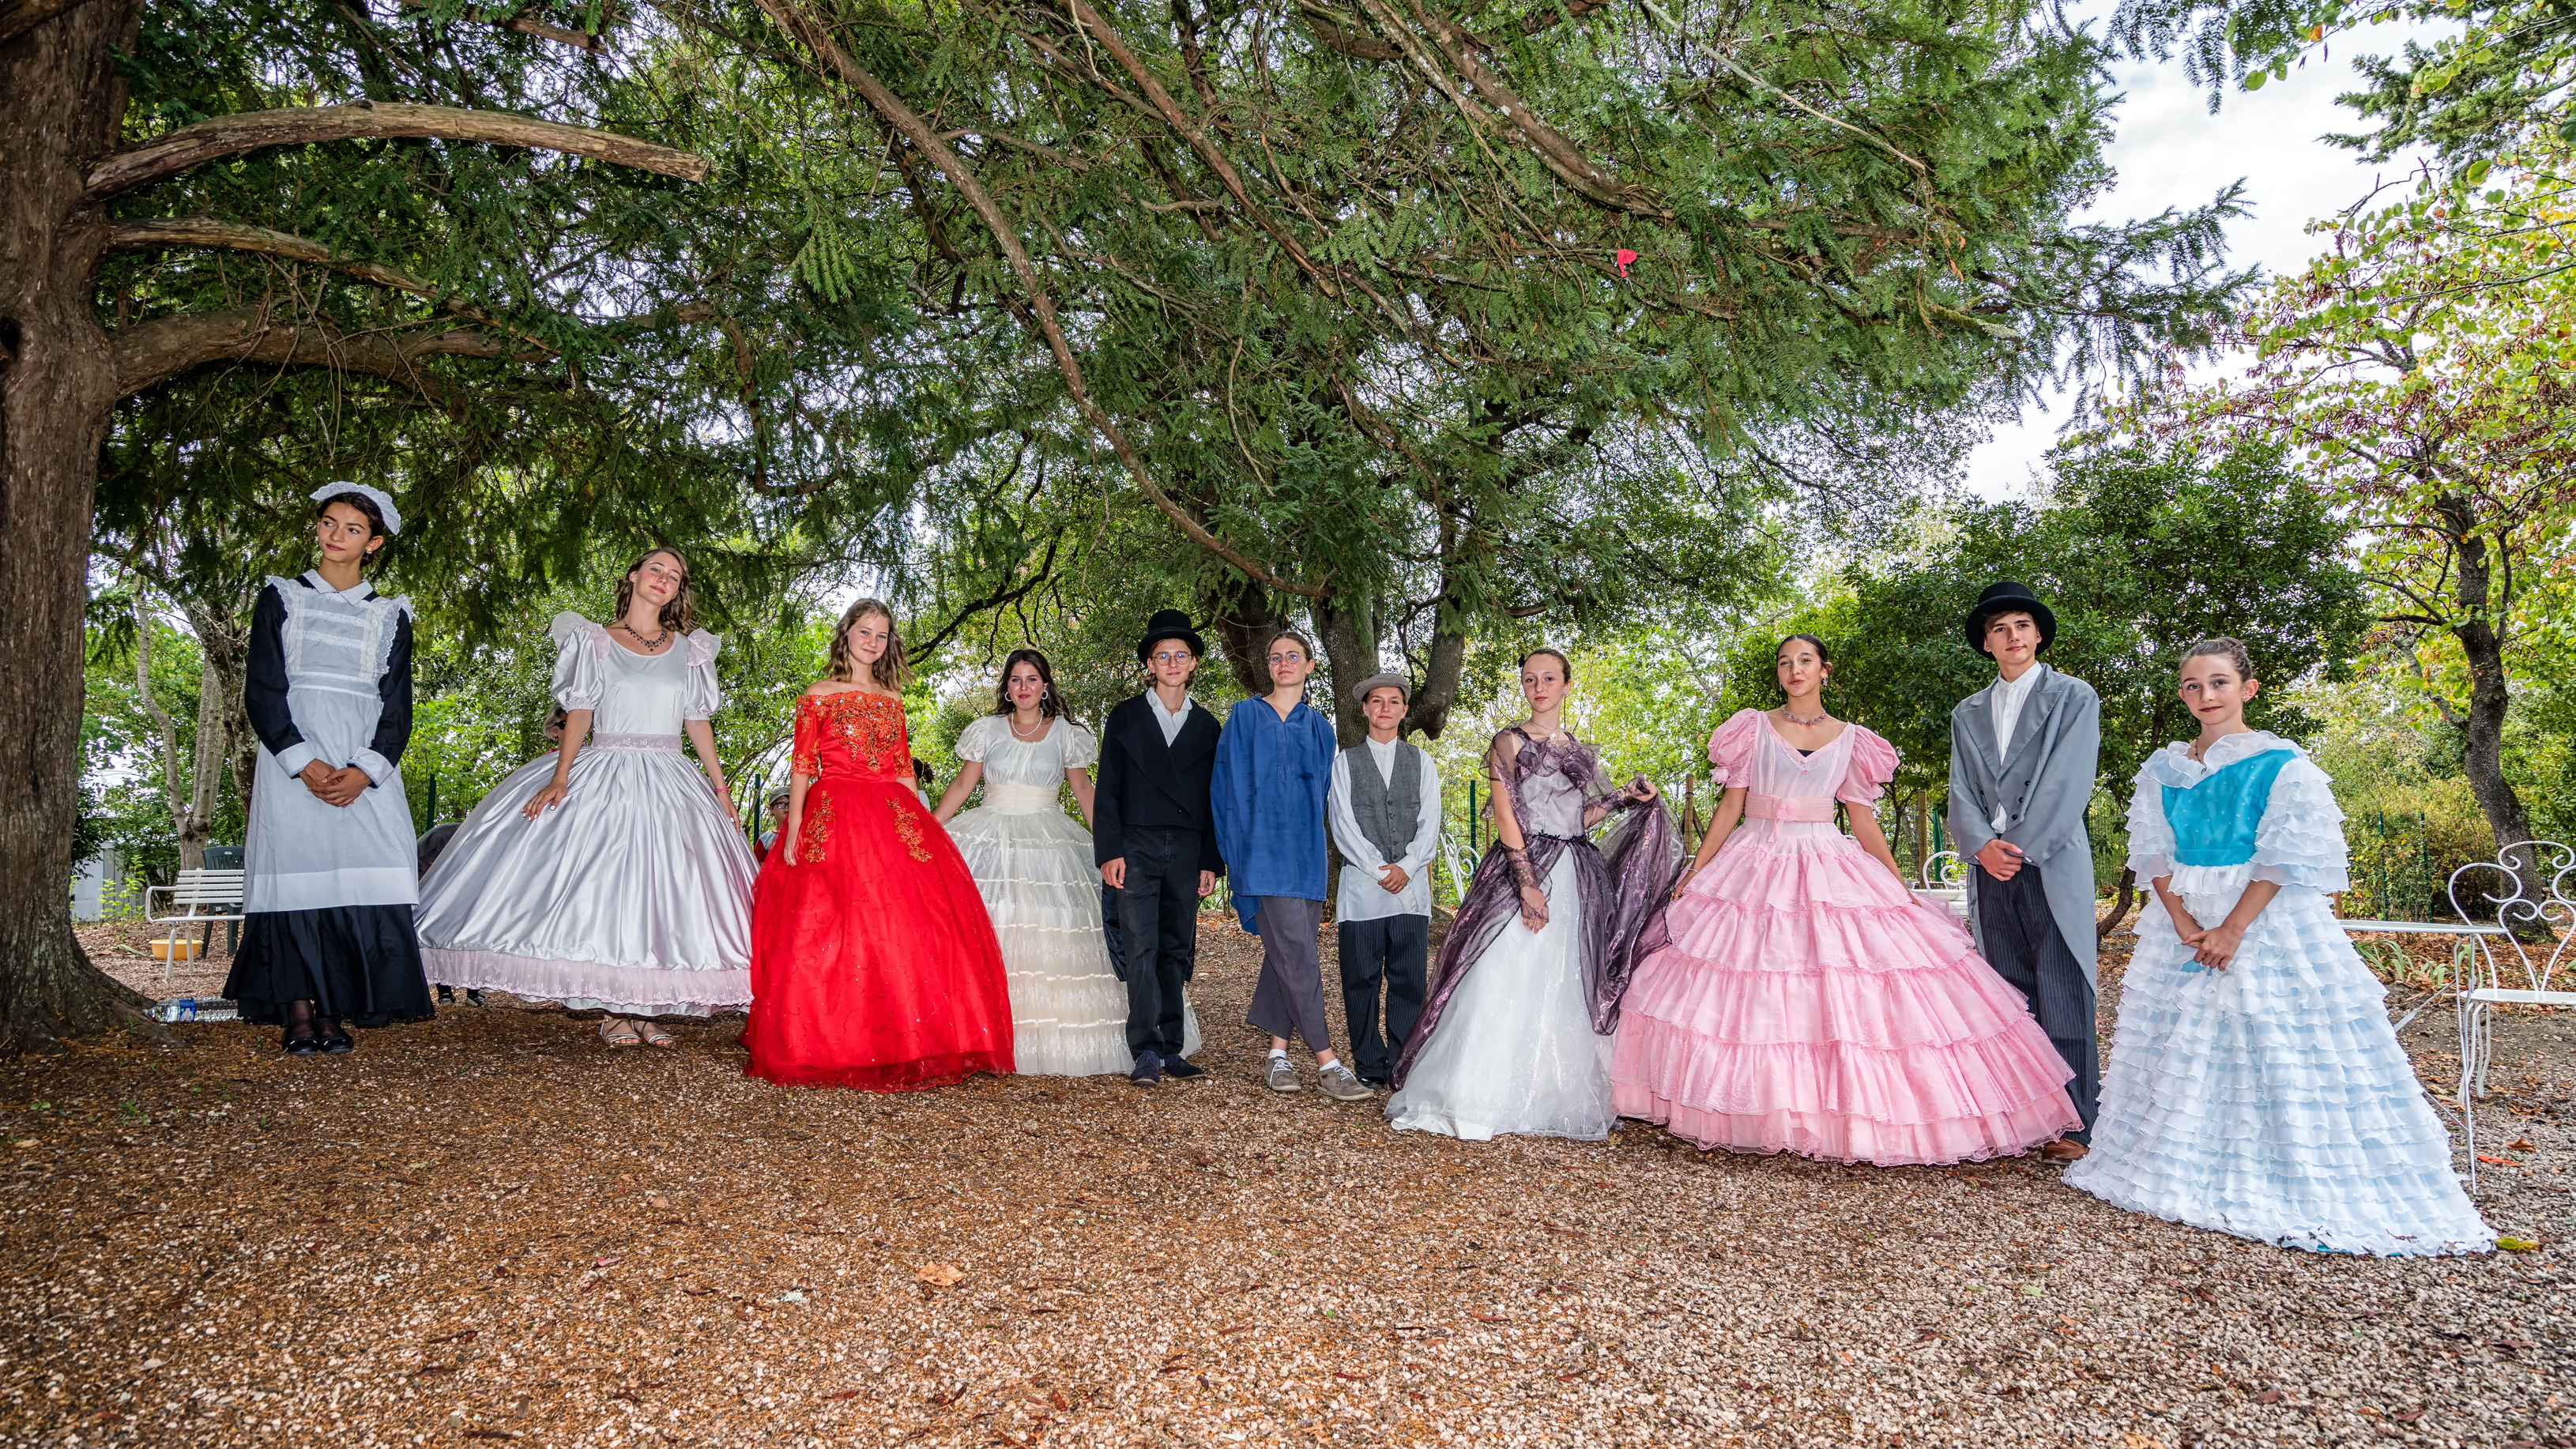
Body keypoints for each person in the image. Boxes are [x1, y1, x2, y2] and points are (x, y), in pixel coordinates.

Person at [2066, 639, 2492, 1254]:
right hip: (2181, 923)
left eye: (2218, 683)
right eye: (2192, 686)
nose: (2205, 696)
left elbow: (2287, 855)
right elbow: (2152, 851)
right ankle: (2182, 1163)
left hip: (2261, 920)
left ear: (2247, 688)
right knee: (2185, 1044)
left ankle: (2283, 1165)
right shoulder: (2162, 770)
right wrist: (2183, 922)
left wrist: (2232, 928)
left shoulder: (2282, 763)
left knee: (2272, 1035)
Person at [1610, 634, 2084, 1165]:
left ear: (1824, 671)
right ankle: (1753, 1107)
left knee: (1845, 984)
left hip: (1826, 859)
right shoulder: (1752, 729)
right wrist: (1697, 869)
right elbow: (1729, 808)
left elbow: (1862, 819)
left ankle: (1851, 1114)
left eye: (1805, 660)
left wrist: (1896, 887)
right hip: (1755, 858)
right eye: (1785, 663)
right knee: (1756, 987)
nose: (1795, 669)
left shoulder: (1855, 740)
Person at [416, 548, 756, 1047]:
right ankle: (615, 1009)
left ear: (678, 590)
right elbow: (580, 711)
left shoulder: (691, 650)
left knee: (664, 890)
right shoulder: (594, 640)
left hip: (670, 777)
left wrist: (720, 787)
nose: (663, 580)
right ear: (635, 576)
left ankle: (644, 1006)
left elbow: (696, 721)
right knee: (610, 885)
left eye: (674, 576)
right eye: (655, 570)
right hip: (607, 769)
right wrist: (560, 776)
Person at [1386, 649, 1671, 1141]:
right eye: (1529, 679)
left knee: (1565, 978)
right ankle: (1475, 1094)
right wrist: (1526, 883)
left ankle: (1548, 1096)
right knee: (1504, 970)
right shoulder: (1509, 742)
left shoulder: (1578, 748)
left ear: (1564, 685)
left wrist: (1624, 796)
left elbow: (1577, 819)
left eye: (1548, 678)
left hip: (1576, 871)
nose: (1538, 687)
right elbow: (1506, 815)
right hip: (1526, 868)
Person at [743, 600, 1015, 1090]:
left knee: (903, 920)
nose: (873, 641)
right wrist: (798, 824)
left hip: (891, 813)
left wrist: (924, 827)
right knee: (830, 922)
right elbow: (803, 766)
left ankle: (906, 1039)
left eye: (882, 635)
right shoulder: (819, 694)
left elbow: (902, 766)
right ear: (846, 633)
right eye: (864, 631)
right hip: (834, 813)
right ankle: (829, 1041)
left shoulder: (891, 698)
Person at [226, 482, 435, 1055]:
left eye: (352, 529)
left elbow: (397, 706)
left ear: (374, 544)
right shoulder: (282, 598)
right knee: (297, 878)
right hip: (292, 760)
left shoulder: (391, 616)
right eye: (328, 523)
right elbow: (264, 689)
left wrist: (365, 770)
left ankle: (337, 1008)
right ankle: (298, 1014)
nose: (336, 536)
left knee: (358, 875)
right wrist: (302, 762)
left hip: (363, 765)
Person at [935, 649, 1201, 1075]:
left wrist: (1111, 846)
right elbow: (965, 782)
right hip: (987, 833)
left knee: (1054, 925)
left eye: (1032, 679)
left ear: (1045, 686)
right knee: (988, 921)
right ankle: (980, 1034)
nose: (1024, 687)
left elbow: (1083, 793)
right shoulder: (985, 730)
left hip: (1049, 835)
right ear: (1007, 686)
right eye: (1016, 679)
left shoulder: (1066, 733)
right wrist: (931, 828)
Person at [1947, 581, 2103, 1163]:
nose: (2012, 636)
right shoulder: (1967, 712)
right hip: (1989, 864)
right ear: (1986, 644)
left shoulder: (2073, 697)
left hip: (2050, 858)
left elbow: (2068, 780)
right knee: (2007, 990)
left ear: (2038, 634)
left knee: (2063, 987)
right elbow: (1960, 788)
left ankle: (2075, 1122)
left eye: (2021, 626)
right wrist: (1982, 848)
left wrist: (2019, 847)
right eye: (1999, 629)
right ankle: (2019, 1116)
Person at [1213, 631, 1372, 1102]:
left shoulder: (1321, 729)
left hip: (1306, 858)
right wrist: (1230, 856)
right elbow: (1224, 789)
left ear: (1309, 666)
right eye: (1276, 657)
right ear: (1269, 666)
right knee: (1299, 955)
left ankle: (1278, 1055)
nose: (1284, 663)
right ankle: (1328, 1062)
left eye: (1293, 657)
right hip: (1260, 854)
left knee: (1285, 954)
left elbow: (1325, 798)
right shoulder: (1244, 716)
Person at [1094, 610, 1226, 1086]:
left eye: (1181, 655)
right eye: (1163, 655)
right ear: (1150, 663)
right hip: (1136, 845)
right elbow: (1107, 789)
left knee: (1176, 945)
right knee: (1141, 945)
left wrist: (1211, 860)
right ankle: (1145, 1048)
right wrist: (1110, 851)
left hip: (1188, 849)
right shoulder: (1126, 717)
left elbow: (1217, 798)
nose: (1172, 662)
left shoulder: (1209, 727)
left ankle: (1172, 1048)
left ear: (1193, 664)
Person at [1325, 672, 1441, 1088]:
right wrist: (1380, 870)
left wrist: (1406, 868)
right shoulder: (1345, 762)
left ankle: (1401, 1062)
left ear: (1404, 710)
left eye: (1394, 701)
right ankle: (1369, 1064)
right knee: (1360, 979)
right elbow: (1343, 824)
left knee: (1409, 979)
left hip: (1410, 891)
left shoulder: (1422, 762)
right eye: (1377, 701)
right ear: (1365, 709)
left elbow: (1430, 824)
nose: (1385, 708)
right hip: (1362, 890)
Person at [755, 788, 790, 863]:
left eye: (791, 803)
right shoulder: (765, 839)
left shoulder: (804, 835)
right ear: (771, 809)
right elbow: (759, 867)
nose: (787, 807)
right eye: (781, 803)